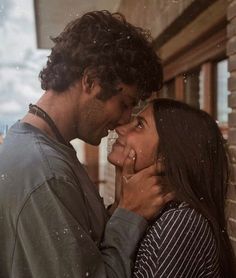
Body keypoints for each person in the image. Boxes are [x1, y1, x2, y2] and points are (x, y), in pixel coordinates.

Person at [0, 10, 170, 278]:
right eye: (124, 104)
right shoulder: (46, 173)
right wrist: (130, 212)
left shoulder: (47, 149)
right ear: (90, 81)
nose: (124, 120)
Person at [108, 98, 236, 277]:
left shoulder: (179, 223)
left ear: (167, 156)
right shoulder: (156, 214)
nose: (120, 128)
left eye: (139, 125)